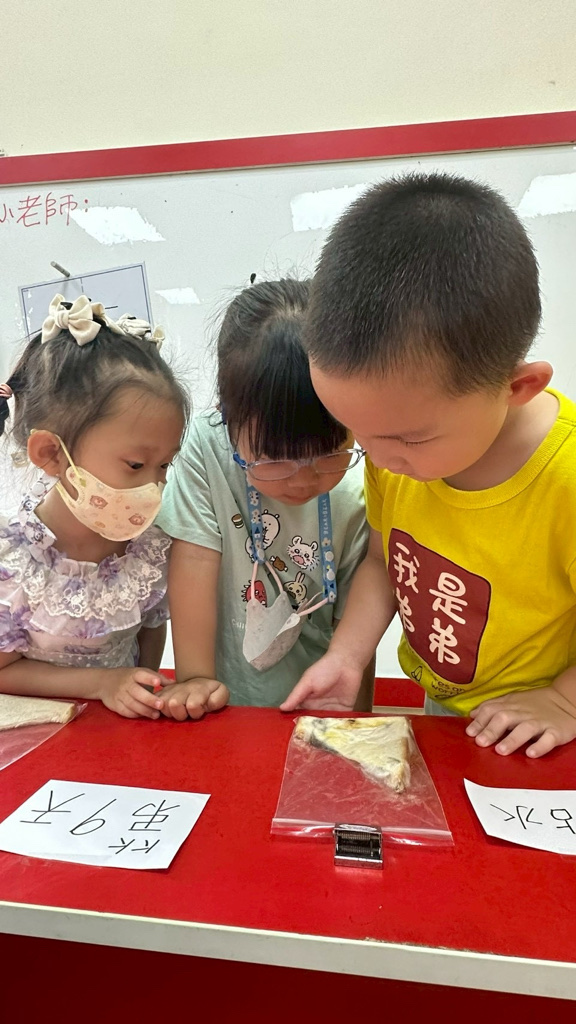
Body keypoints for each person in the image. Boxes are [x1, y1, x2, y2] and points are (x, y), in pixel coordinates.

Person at [282, 172, 576, 759]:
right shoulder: (394, 448)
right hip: (446, 709)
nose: (380, 459)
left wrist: (565, 700)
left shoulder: (564, 477)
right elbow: (382, 561)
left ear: (517, 387)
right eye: (359, 434)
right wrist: (347, 653)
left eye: (409, 439)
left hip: (544, 725)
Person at [156, 278, 370, 716]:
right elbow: (193, 559)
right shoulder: (207, 450)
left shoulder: (360, 482)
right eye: (275, 458)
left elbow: (357, 625)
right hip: (225, 701)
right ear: (228, 419)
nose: (303, 479)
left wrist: (355, 718)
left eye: (329, 453)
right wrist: (195, 681)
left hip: (319, 702)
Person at [0, 293, 197, 720]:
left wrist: (142, 687)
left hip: (120, 736)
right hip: (39, 737)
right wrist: (102, 683)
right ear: (52, 454)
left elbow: (150, 627)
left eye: (165, 465)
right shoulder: (12, 561)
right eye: (136, 465)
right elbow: (3, 672)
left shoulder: (147, 548)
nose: (154, 486)